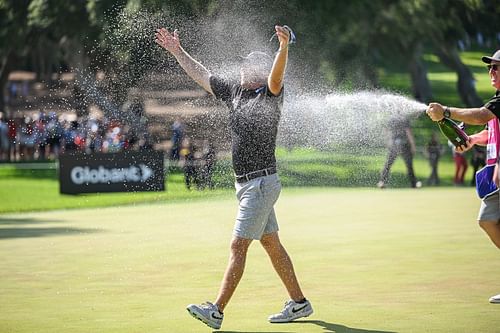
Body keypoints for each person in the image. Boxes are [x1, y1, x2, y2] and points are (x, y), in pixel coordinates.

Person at [155, 24, 312, 329]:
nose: (242, 68)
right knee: (271, 244)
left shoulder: (269, 94)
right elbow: (202, 74)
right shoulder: (234, 92)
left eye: (248, 64)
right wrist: (177, 51)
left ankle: (216, 310)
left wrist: (283, 49)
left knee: (238, 247)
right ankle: (299, 303)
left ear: (258, 72)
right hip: (249, 184)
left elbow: (277, 76)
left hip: (260, 183)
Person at [426, 49, 500, 304]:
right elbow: (490, 131)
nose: (491, 72)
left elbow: (480, 116)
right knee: (487, 221)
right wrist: (472, 140)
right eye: (490, 67)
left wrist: (446, 111)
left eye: (496, 67)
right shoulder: (497, 101)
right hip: (495, 178)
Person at [377, 114, 422, 188]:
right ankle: (414, 184)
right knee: (409, 165)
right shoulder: (404, 119)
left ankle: (382, 182)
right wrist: (413, 145)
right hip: (405, 145)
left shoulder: (391, 118)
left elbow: (386, 131)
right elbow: (408, 132)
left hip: (394, 144)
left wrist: (388, 141)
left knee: (388, 164)